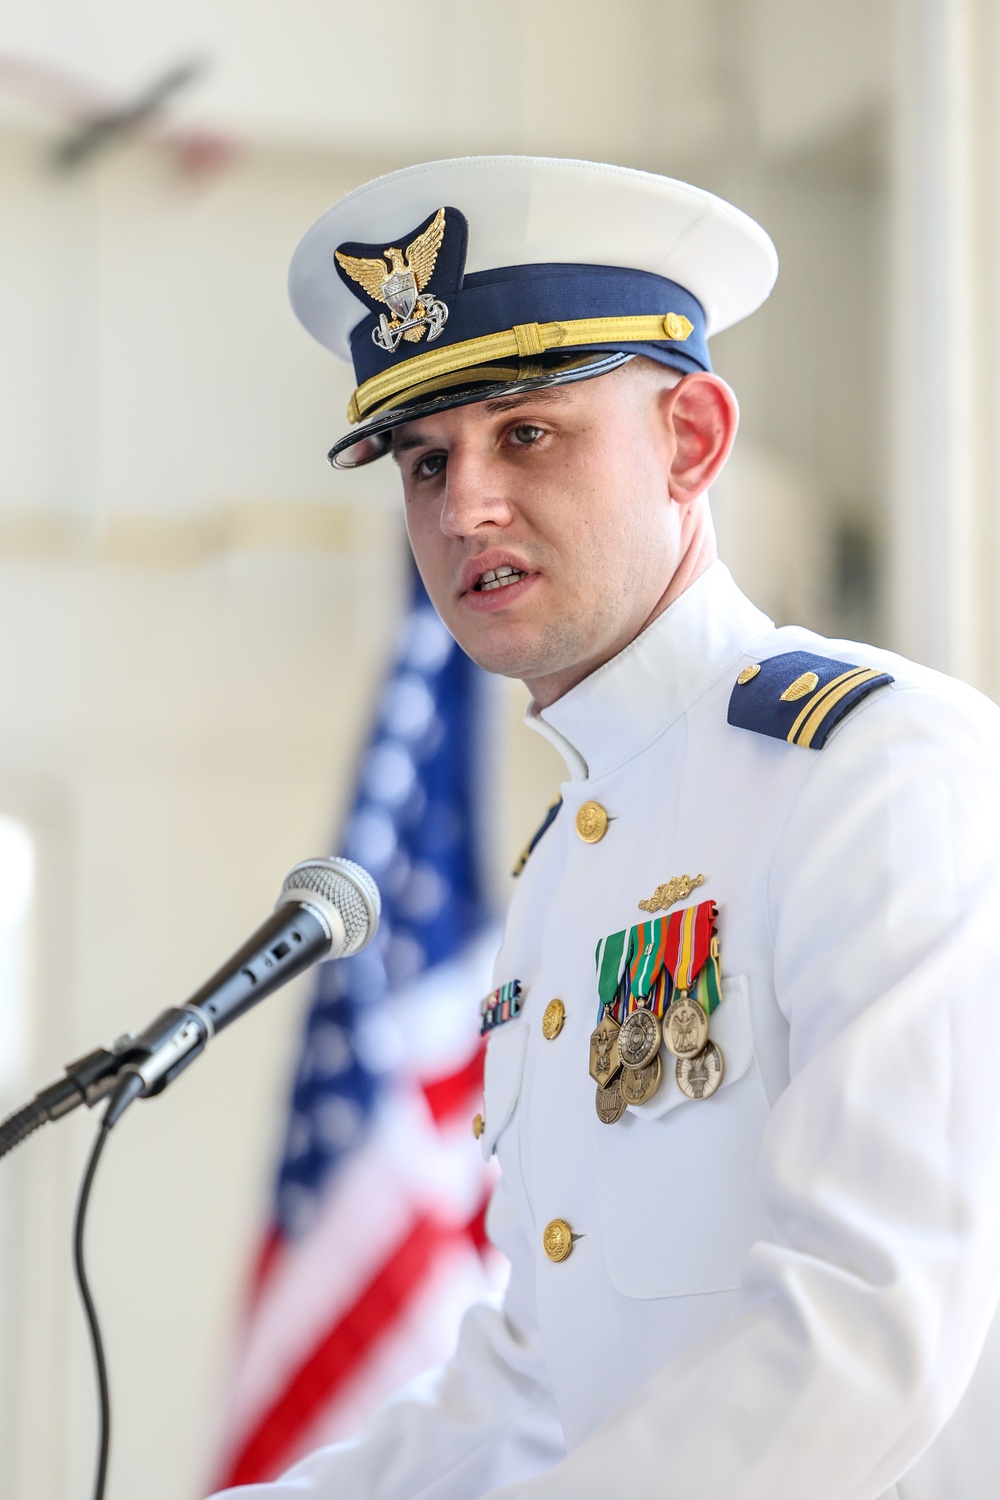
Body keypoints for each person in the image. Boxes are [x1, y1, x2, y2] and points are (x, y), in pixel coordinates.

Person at [209, 156, 1000, 1499]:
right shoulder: (572, 858)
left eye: (527, 434)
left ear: (691, 440)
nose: (465, 506)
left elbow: (867, 1327)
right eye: (423, 460)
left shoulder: (879, 770)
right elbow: (532, 1388)